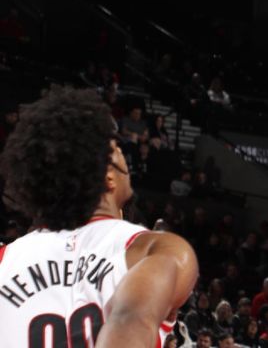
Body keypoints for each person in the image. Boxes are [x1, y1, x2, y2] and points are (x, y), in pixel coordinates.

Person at [0, 86, 198, 348]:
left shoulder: (5, 259)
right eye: (116, 150)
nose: (125, 160)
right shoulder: (153, 250)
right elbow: (131, 323)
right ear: (107, 175)